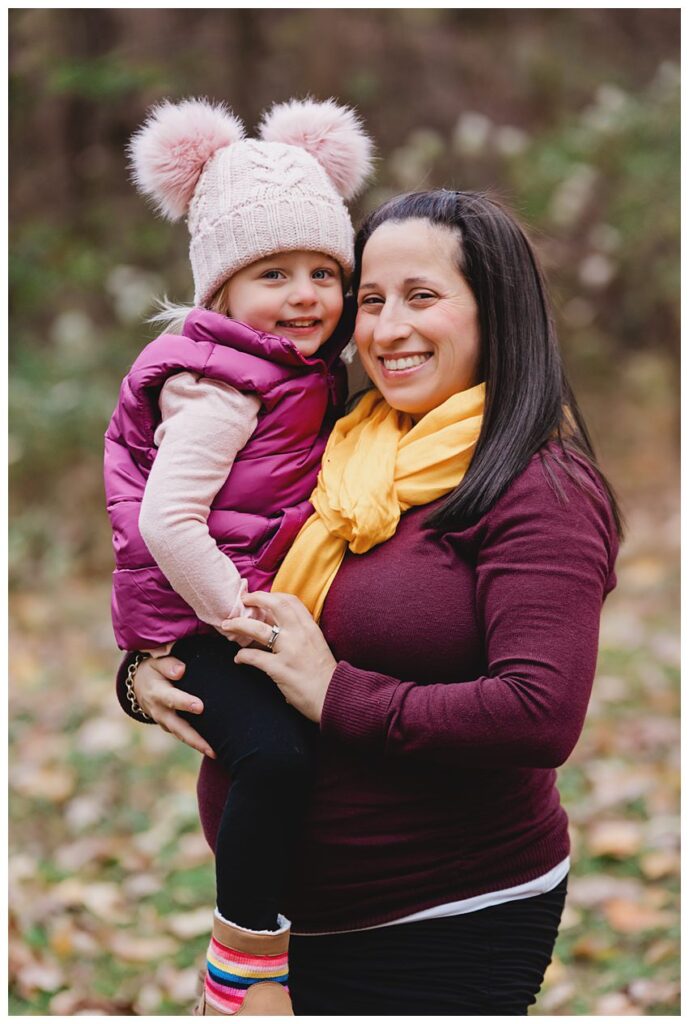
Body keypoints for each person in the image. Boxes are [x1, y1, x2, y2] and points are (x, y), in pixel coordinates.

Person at [120, 189, 621, 1015]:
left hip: (443, 926)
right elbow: (228, 572)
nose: (387, 330)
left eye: (421, 297)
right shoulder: (342, 441)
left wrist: (333, 693)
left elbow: (539, 715)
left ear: (495, 310)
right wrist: (145, 673)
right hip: (285, 933)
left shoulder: (540, 490)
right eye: (371, 300)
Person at [105, 96, 373, 1016]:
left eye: (321, 272)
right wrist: (245, 618)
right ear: (221, 288)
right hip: (206, 613)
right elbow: (168, 521)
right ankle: (241, 956)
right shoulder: (217, 382)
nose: (305, 295)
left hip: (232, 599)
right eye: (273, 273)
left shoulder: (298, 370)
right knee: (273, 759)